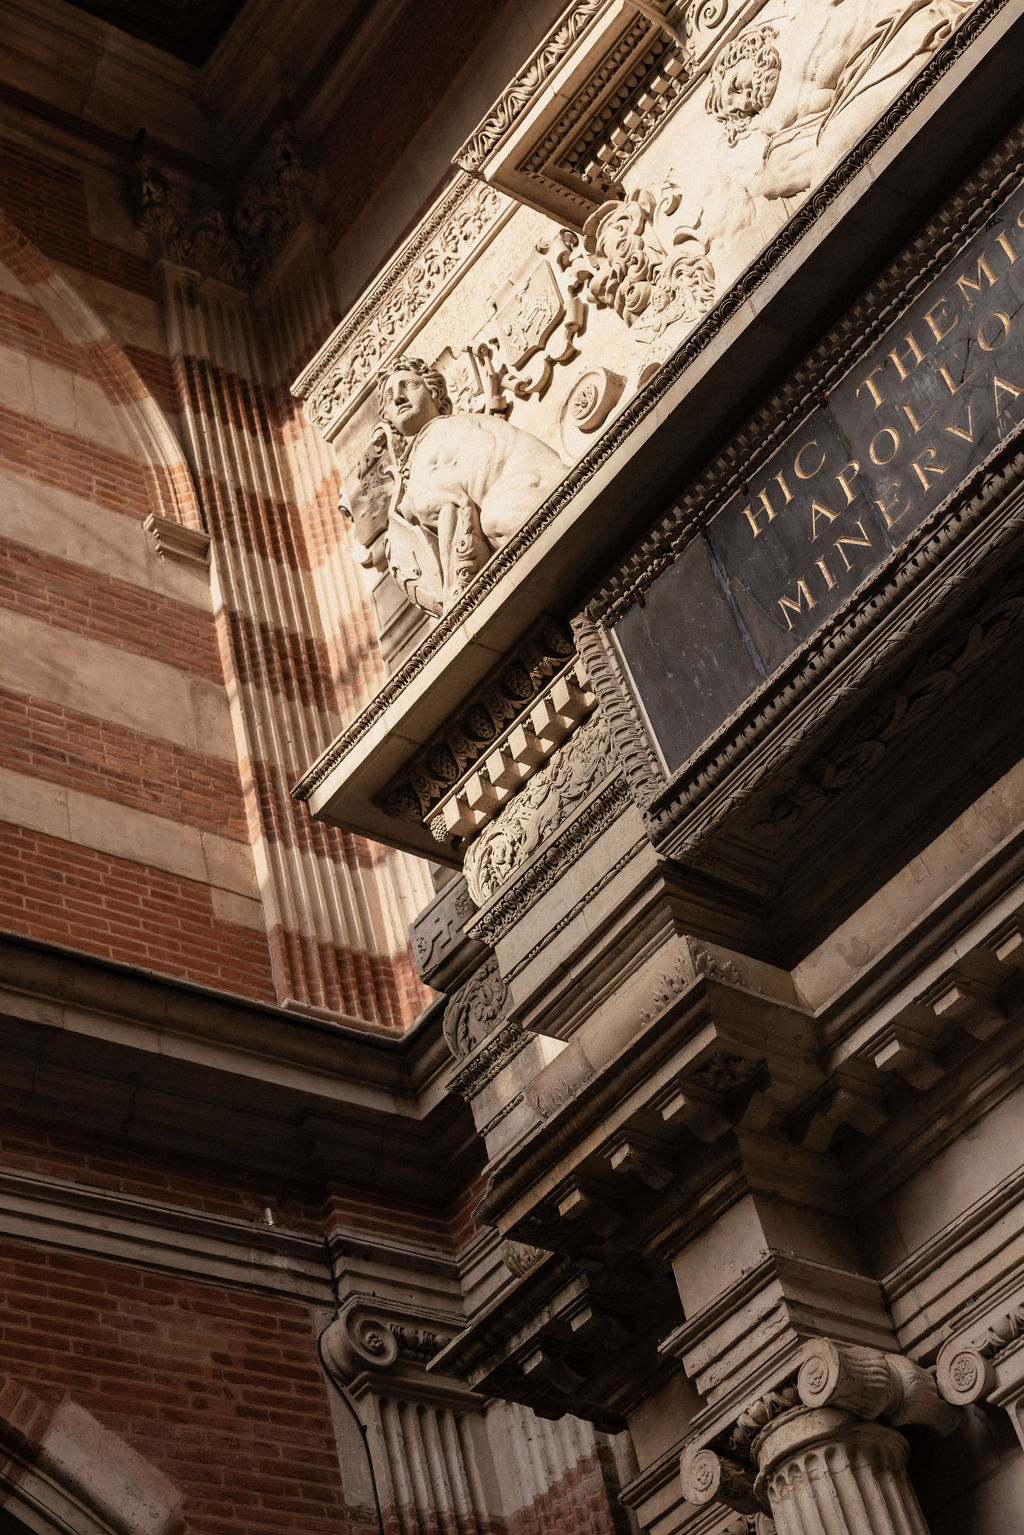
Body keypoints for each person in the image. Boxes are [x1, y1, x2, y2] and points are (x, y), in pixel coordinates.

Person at [374, 357, 565, 615]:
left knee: (495, 519)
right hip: (531, 506)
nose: (398, 398)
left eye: (408, 385)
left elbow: (451, 508)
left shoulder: (441, 435)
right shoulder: (430, 444)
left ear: (435, 393)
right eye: (389, 397)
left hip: (533, 505)